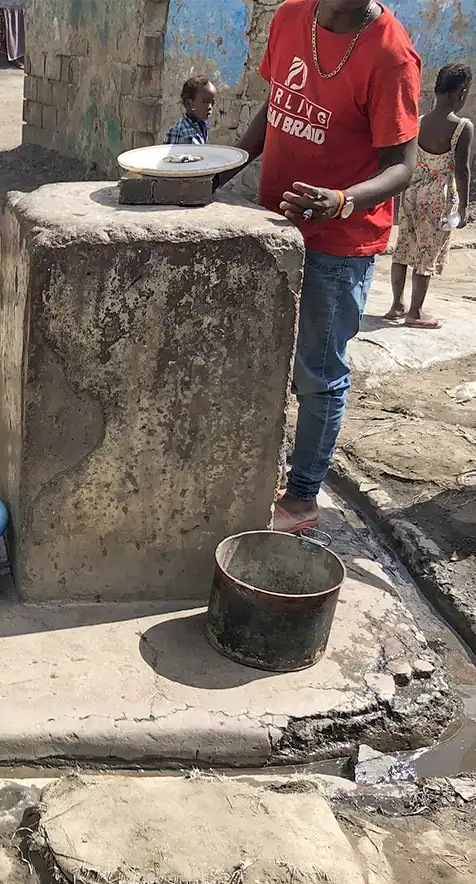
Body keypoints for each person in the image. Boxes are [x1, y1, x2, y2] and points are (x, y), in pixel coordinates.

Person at [217, 0, 421, 533]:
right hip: (274, 226)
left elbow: (402, 167)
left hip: (339, 242)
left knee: (318, 374)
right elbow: (277, 102)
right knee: (257, 355)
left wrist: (341, 201)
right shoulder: (290, 17)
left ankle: (302, 496)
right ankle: (248, 471)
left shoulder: (391, 54)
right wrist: (225, 165)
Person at [387, 63, 473, 330]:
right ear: (461, 93)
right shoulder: (462, 128)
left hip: (411, 193)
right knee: (427, 253)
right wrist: (465, 208)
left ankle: (396, 305)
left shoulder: (420, 121)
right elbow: (462, 170)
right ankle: (415, 312)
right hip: (438, 198)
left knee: (403, 248)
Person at [165, 76, 217, 145]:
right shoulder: (178, 132)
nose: (210, 107)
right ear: (188, 103)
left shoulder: (201, 125)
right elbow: (171, 155)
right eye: (205, 102)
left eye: (212, 102)